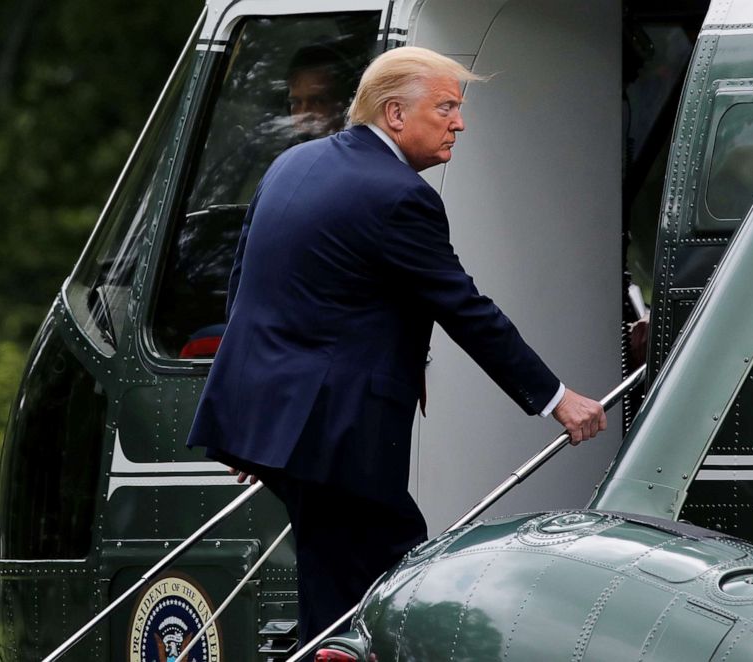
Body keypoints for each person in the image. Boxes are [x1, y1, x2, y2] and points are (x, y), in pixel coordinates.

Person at [186, 46, 607, 652]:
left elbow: (247, 291)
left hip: (291, 428)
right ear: (394, 115)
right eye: (446, 108)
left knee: (335, 584)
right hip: (335, 433)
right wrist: (555, 398)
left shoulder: (292, 164)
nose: (459, 123)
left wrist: (257, 419)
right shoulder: (399, 196)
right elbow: (464, 308)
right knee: (392, 580)